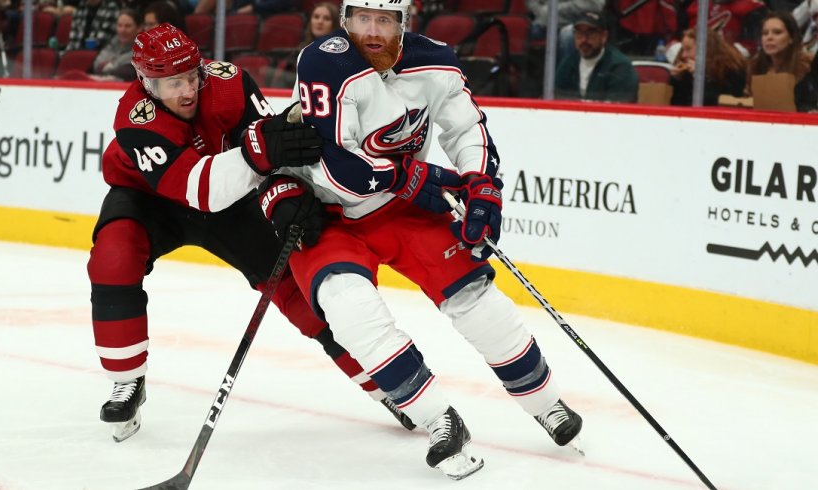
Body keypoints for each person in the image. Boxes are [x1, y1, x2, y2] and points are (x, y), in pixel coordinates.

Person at [260, 0, 583, 480]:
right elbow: (337, 165)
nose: (371, 31)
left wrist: (480, 185)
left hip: (399, 209)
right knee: (349, 310)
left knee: (475, 296)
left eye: (384, 20)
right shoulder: (325, 61)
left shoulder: (436, 61)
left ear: (403, 23)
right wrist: (415, 177)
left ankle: (546, 402)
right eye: (362, 19)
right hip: (324, 212)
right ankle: (437, 418)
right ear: (346, 20)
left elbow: (467, 127)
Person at [89, 23, 414, 443]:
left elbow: (274, 152)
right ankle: (127, 379)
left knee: (300, 292)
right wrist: (258, 154)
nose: (186, 90)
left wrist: (286, 194)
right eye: (171, 83)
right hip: (151, 199)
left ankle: (387, 385)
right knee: (113, 258)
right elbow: (198, 189)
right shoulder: (135, 118)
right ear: (144, 81)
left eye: (191, 76)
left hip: (234, 201)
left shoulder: (230, 84)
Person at [555, 10, 638, 102]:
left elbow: (618, 109)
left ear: (604, 36)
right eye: (579, 33)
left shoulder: (619, 66)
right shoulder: (569, 63)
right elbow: (556, 99)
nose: (584, 40)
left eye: (590, 33)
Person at [747, 11, 815, 110]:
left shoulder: (809, 66)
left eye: (777, 32)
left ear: (791, 38)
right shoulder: (755, 66)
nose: (769, 38)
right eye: (765, 33)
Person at [669, 27, 748, 106]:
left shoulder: (732, 70)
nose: (683, 55)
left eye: (688, 49)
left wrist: (702, 76)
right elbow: (677, 104)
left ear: (705, 49)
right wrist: (676, 80)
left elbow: (712, 102)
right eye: (683, 49)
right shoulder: (686, 74)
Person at [271, 1, 341, 88]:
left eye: (326, 18)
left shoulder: (339, 55)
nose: (320, 21)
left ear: (334, 24)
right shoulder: (300, 50)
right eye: (316, 17)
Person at [89, 8, 142, 80]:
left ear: (139, 28)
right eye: (120, 25)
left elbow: (128, 72)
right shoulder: (110, 44)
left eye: (128, 26)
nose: (122, 30)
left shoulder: (141, 51)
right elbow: (96, 66)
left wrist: (106, 68)